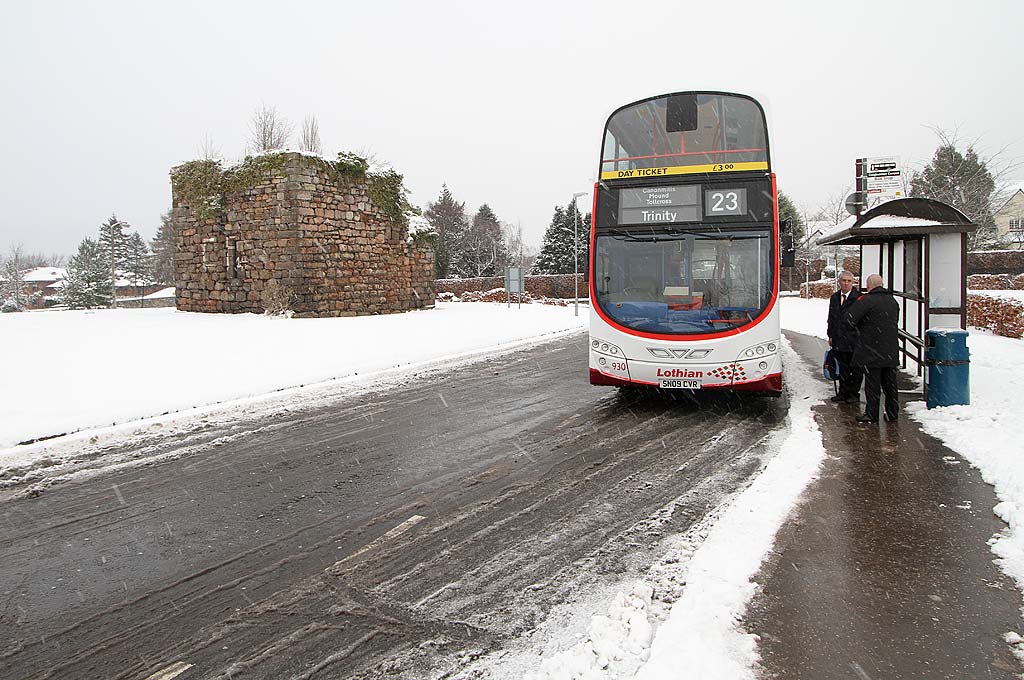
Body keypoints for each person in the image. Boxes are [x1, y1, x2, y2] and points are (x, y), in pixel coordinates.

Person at [846, 273, 900, 424]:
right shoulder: (892, 301)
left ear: (868, 286)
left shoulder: (866, 300)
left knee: (872, 385)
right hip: (890, 351)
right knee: (890, 385)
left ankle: (871, 413)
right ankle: (892, 413)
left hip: (871, 351)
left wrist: (860, 331)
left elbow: (849, 319)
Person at [826, 271, 863, 403]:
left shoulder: (859, 298)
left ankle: (853, 394)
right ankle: (843, 393)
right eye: (844, 281)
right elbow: (831, 318)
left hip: (854, 340)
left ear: (853, 283)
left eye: (849, 281)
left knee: (856, 369)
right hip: (839, 339)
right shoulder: (835, 298)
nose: (846, 283)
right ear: (839, 282)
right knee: (842, 368)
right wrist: (830, 335)